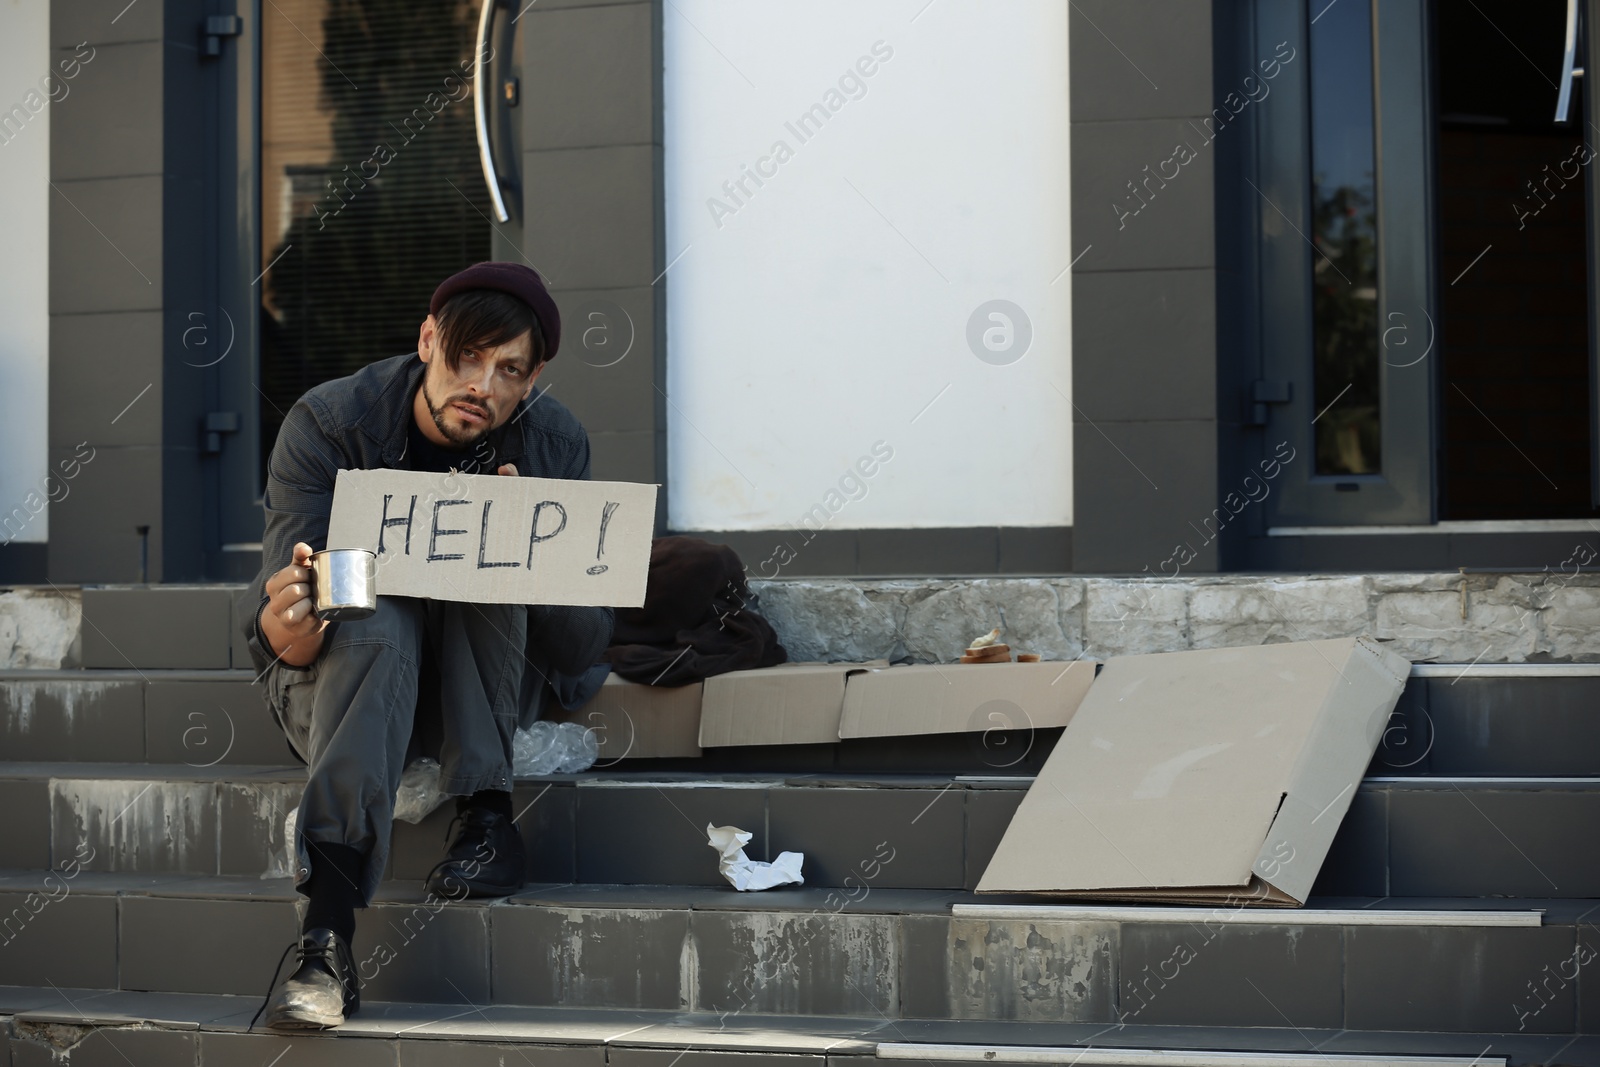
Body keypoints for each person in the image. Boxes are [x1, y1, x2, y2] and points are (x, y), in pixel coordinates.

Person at [242, 262, 613, 1030]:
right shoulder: (328, 422)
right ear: (426, 341)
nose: (481, 383)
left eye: (508, 368)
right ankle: (325, 936)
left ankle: (484, 815)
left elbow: (582, 650)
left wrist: (524, 549)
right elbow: (276, 638)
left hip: (478, 692)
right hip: (348, 689)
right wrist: (291, 622)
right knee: (375, 613)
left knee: (492, 549)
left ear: (533, 376)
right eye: (465, 357)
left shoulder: (554, 442)